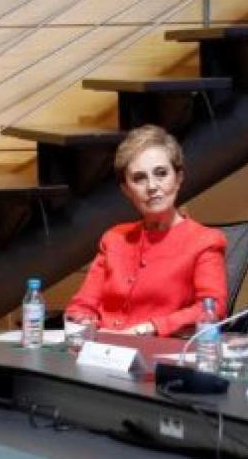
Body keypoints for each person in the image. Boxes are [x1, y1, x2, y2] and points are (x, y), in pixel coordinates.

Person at [65, 125, 227, 337]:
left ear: (178, 179)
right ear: (126, 190)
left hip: (158, 355)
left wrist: (150, 327)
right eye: (139, 178)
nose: (152, 186)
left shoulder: (205, 241)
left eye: (161, 174)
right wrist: (83, 322)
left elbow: (212, 307)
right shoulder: (114, 238)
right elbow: (83, 304)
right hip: (101, 349)